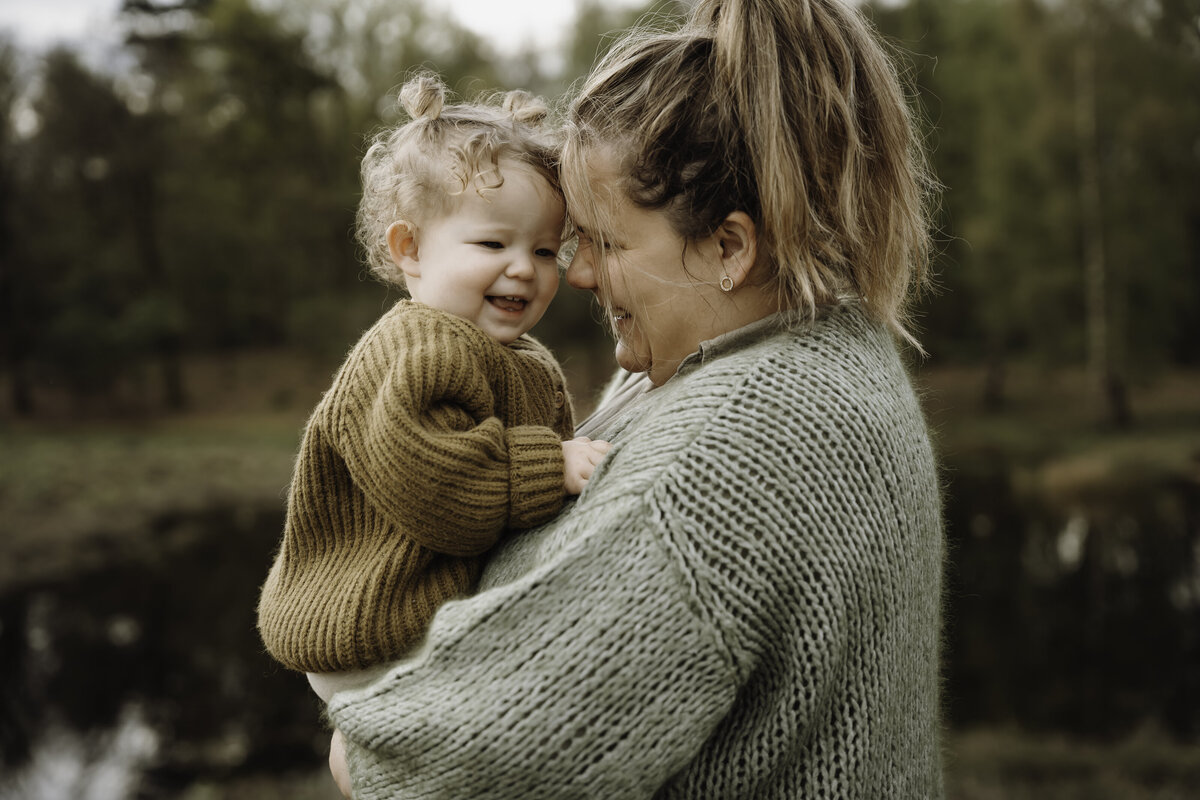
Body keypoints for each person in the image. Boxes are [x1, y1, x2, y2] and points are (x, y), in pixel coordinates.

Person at [326, 0, 945, 796]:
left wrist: (358, 745)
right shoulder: (826, 349)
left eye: (608, 244)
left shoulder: (728, 454)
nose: (576, 275)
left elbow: (429, 770)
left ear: (729, 246)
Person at [256, 73, 611, 704]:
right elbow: (441, 489)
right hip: (374, 628)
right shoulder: (416, 348)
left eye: (546, 250)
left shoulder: (527, 361)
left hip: (433, 617)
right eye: (492, 242)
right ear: (410, 248)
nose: (524, 267)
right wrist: (550, 466)